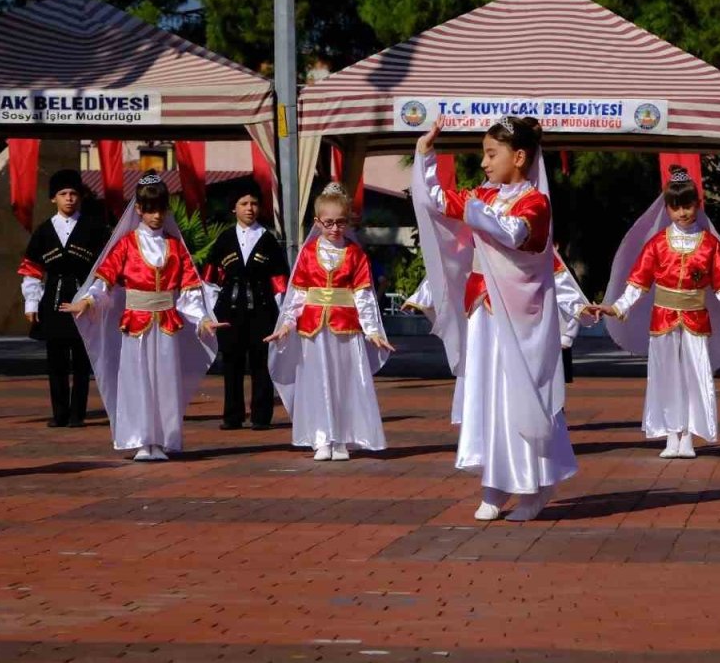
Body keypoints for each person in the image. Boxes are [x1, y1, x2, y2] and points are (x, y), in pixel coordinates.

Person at [411, 115, 575, 522]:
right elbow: (434, 200)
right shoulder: (482, 196)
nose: (483, 163)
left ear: (519, 156)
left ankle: (533, 486)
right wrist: (425, 154)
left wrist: (472, 208)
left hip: (519, 319)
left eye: (491, 153)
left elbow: (515, 234)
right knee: (488, 396)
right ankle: (495, 484)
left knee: (519, 396)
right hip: (483, 312)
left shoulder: (535, 203)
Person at [595, 166, 720, 459]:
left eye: (687, 206)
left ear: (697, 205)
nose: (683, 213)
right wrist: (616, 307)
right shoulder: (657, 243)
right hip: (662, 320)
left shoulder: (711, 245)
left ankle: (688, 435)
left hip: (696, 320)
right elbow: (638, 284)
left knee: (694, 376)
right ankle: (670, 435)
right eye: (676, 207)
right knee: (665, 376)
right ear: (667, 209)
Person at [63, 172, 224, 461]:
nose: (156, 215)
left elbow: (189, 292)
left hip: (165, 324)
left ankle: (161, 440)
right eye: (150, 209)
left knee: (165, 380)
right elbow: (104, 282)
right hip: (135, 323)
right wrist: (87, 301)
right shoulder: (125, 244)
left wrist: (202, 319)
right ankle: (140, 440)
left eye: (161, 209)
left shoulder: (175, 248)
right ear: (138, 209)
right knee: (136, 380)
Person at [266, 182, 394, 461]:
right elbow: (298, 292)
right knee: (317, 381)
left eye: (341, 222)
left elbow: (364, 295)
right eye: (329, 223)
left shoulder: (356, 255)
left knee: (345, 381)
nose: (335, 228)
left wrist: (372, 330)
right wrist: (287, 323)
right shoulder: (308, 253)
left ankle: (343, 437)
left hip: (346, 329)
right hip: (313, 328)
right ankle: (321, 437)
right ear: (317, 222)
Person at [402, 251, 593, 381]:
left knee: (520, 373)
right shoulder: (476, 208)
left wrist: (576, 311)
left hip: (518, 310)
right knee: (482, 370)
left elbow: (555, 274)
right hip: (480, 308)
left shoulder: (526, 211)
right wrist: (422, 295)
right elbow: (452, 258)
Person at [18, 170, 108, 429]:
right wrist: (31, 303)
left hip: (84, 300)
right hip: (53, 300)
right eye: (63, 194)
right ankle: (59, 413)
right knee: (55, 361)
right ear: (53, 199)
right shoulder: (43, 232)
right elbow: (32, 270)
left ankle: (77, 414)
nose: (69, 199)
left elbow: (104, 269)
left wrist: (92, 299)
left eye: (73, 194)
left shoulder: (95, 228)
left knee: (81, 361)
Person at [203, 183, 289, 432]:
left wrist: (283, 315)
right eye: (244, 204)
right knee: (231, 362)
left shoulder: (268, 239)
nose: (250, 209)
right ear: (234, 208)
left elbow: (280, 282)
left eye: (254, 204)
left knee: (261, 363)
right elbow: (210, 279)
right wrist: (207, 313)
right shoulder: (224, 239)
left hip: (262, 310)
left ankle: (261, 416)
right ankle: (232, 415)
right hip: (230, 310)